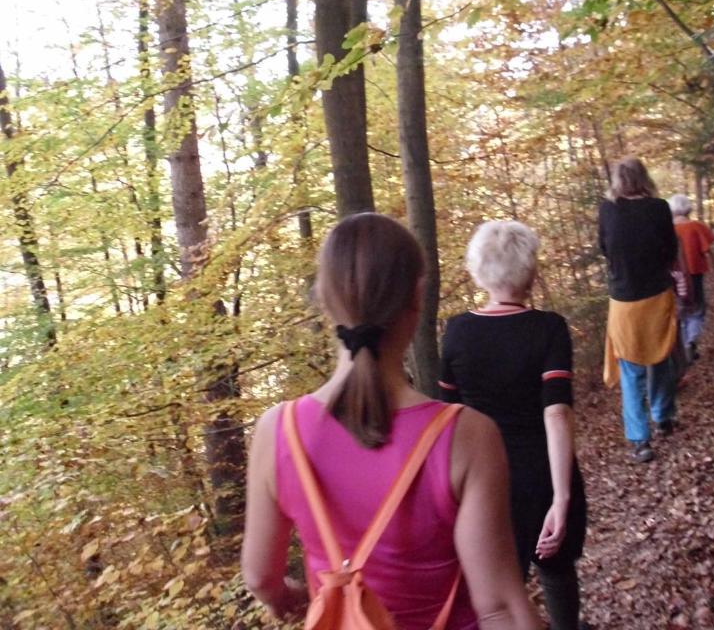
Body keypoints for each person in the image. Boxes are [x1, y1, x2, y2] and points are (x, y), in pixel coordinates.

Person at [241, 213, 541, 630]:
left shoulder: (279, 430)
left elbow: (259, 577)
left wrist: (292, 601)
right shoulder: (465, 435)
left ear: (326, 300)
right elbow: (500, 609)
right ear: (416, 299)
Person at [439, 221, 587, 630]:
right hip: (541, 471)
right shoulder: (549, 328)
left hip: (481, 477)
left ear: (478, 270)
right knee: (555, 567)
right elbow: (556, 412)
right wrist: (561, 497)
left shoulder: (457, 332)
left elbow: (447, 416)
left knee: (497, 583)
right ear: (530, 271)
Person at [598, 157, 679, 463]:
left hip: (623, 300)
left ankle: (640, 440)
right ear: (644, 177)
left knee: (631, 369)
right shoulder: (658, 208)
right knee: (659, 356)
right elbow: (670, 250)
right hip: (656, 294)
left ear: (618, 180)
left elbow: (603, 248)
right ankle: (663, 416)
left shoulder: (608, 209)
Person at [668, 194, 714, 362]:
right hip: (695, 274)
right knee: (698, 309)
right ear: (688, 208)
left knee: (682, 309)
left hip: (675, 276)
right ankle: (690, 341)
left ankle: (685, 346)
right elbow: (708, 250)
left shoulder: (667, 230)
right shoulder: (697, 226)